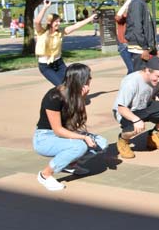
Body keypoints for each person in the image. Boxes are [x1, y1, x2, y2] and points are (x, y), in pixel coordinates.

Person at [33, 63, 108, 191]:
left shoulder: (74, 94)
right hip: (45, 137)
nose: (90, 79)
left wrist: (82, 99)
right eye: (88, 77)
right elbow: (58, 130)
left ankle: (70, 164)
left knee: (102, 143)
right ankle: (45, 175)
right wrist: (83, 137)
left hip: (65, 132)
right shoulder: (54, 97)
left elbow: (76, 123)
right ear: (80, 80)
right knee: (79, 146)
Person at [113, 57, 159, 159]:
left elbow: (157, 95)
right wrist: (136, 120)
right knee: (137, 126)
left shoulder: (156, 79)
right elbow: (121, 108)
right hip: (127, 112)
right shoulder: (131, 82)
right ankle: (123, 140)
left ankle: (154, 136)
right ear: (148, 70)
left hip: (145, 107)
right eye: (157, 77)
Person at [34, 0, 97, 85]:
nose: (59, 23)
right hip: (46, 66)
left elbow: (76, 26)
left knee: (70, 84)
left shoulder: (60, 32)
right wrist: (45, 7)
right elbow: (37, 22)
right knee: (61, 86)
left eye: (59, 21)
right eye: (56, 21)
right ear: (50, 22)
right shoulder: (41, 32)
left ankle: (70, 98)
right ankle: (59, 97)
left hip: (59, 63)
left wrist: (90, 18)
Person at [125, 0, 157, 71]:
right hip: (139, 48)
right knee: (140, 75)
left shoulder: (142, 2)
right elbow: (137, 27)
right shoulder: (137, 3)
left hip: (145, 47)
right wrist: (144, 48)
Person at [115, 0, 134, 74]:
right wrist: (127, 2)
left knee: (138, 68)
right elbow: (118, 16)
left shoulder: (137, 17)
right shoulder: (124, 18)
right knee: (132, 69)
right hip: (124, 46)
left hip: (135, 45)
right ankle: (127, 85)